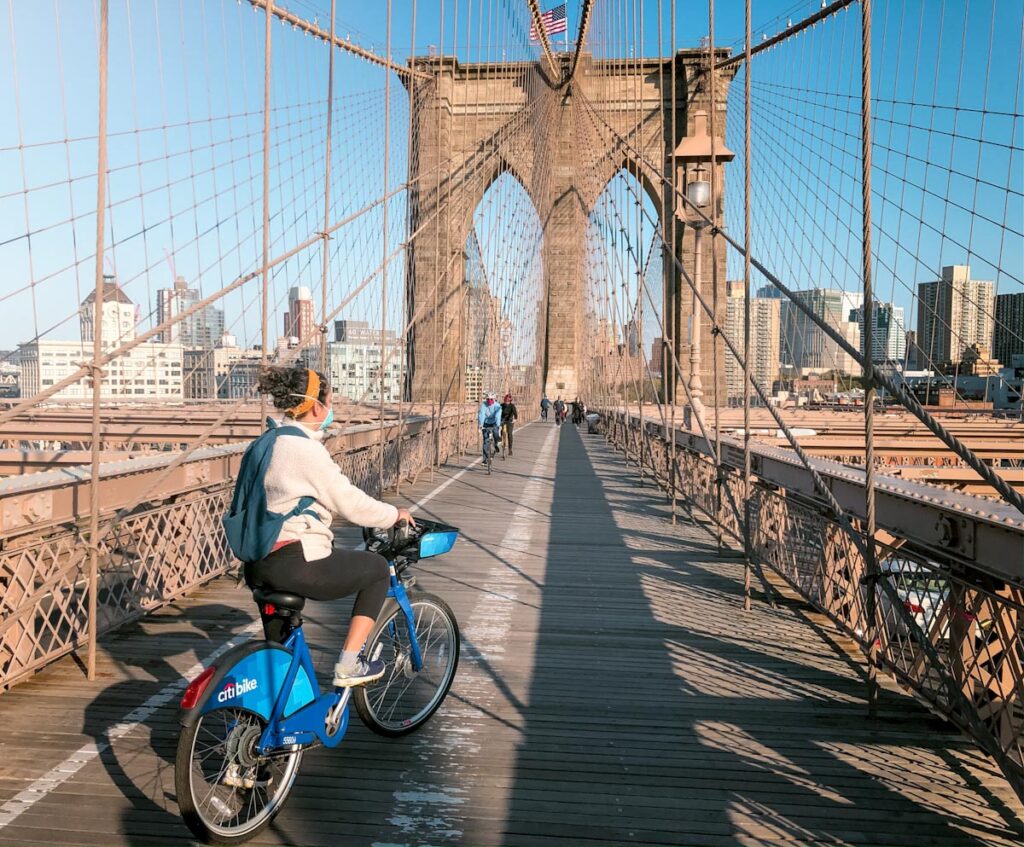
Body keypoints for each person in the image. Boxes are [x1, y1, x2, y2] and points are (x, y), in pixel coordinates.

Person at [241, 366, 415, 688]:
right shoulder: (305, 450)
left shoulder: (266, 442)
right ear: (317, 406)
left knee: (282, 662)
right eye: (331, 401)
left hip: (257, 563)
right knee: (377, 569)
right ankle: (350, 664)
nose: (331, 410)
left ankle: (282, 717)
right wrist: (394, 515)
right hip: (296, 563)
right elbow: (348, 502)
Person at [478, 391, 502, 463]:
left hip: (494, 422)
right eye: (488, 399)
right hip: (485, 423)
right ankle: (485, 459)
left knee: (495, 432)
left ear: (494, 399)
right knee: (485, 440)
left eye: (491, 399)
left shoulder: (497, 406)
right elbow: (481, 414)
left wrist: (498, 425)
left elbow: (498, 416)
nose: (489, 401)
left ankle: (496, 443)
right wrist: (481, 425)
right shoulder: (483, 405)